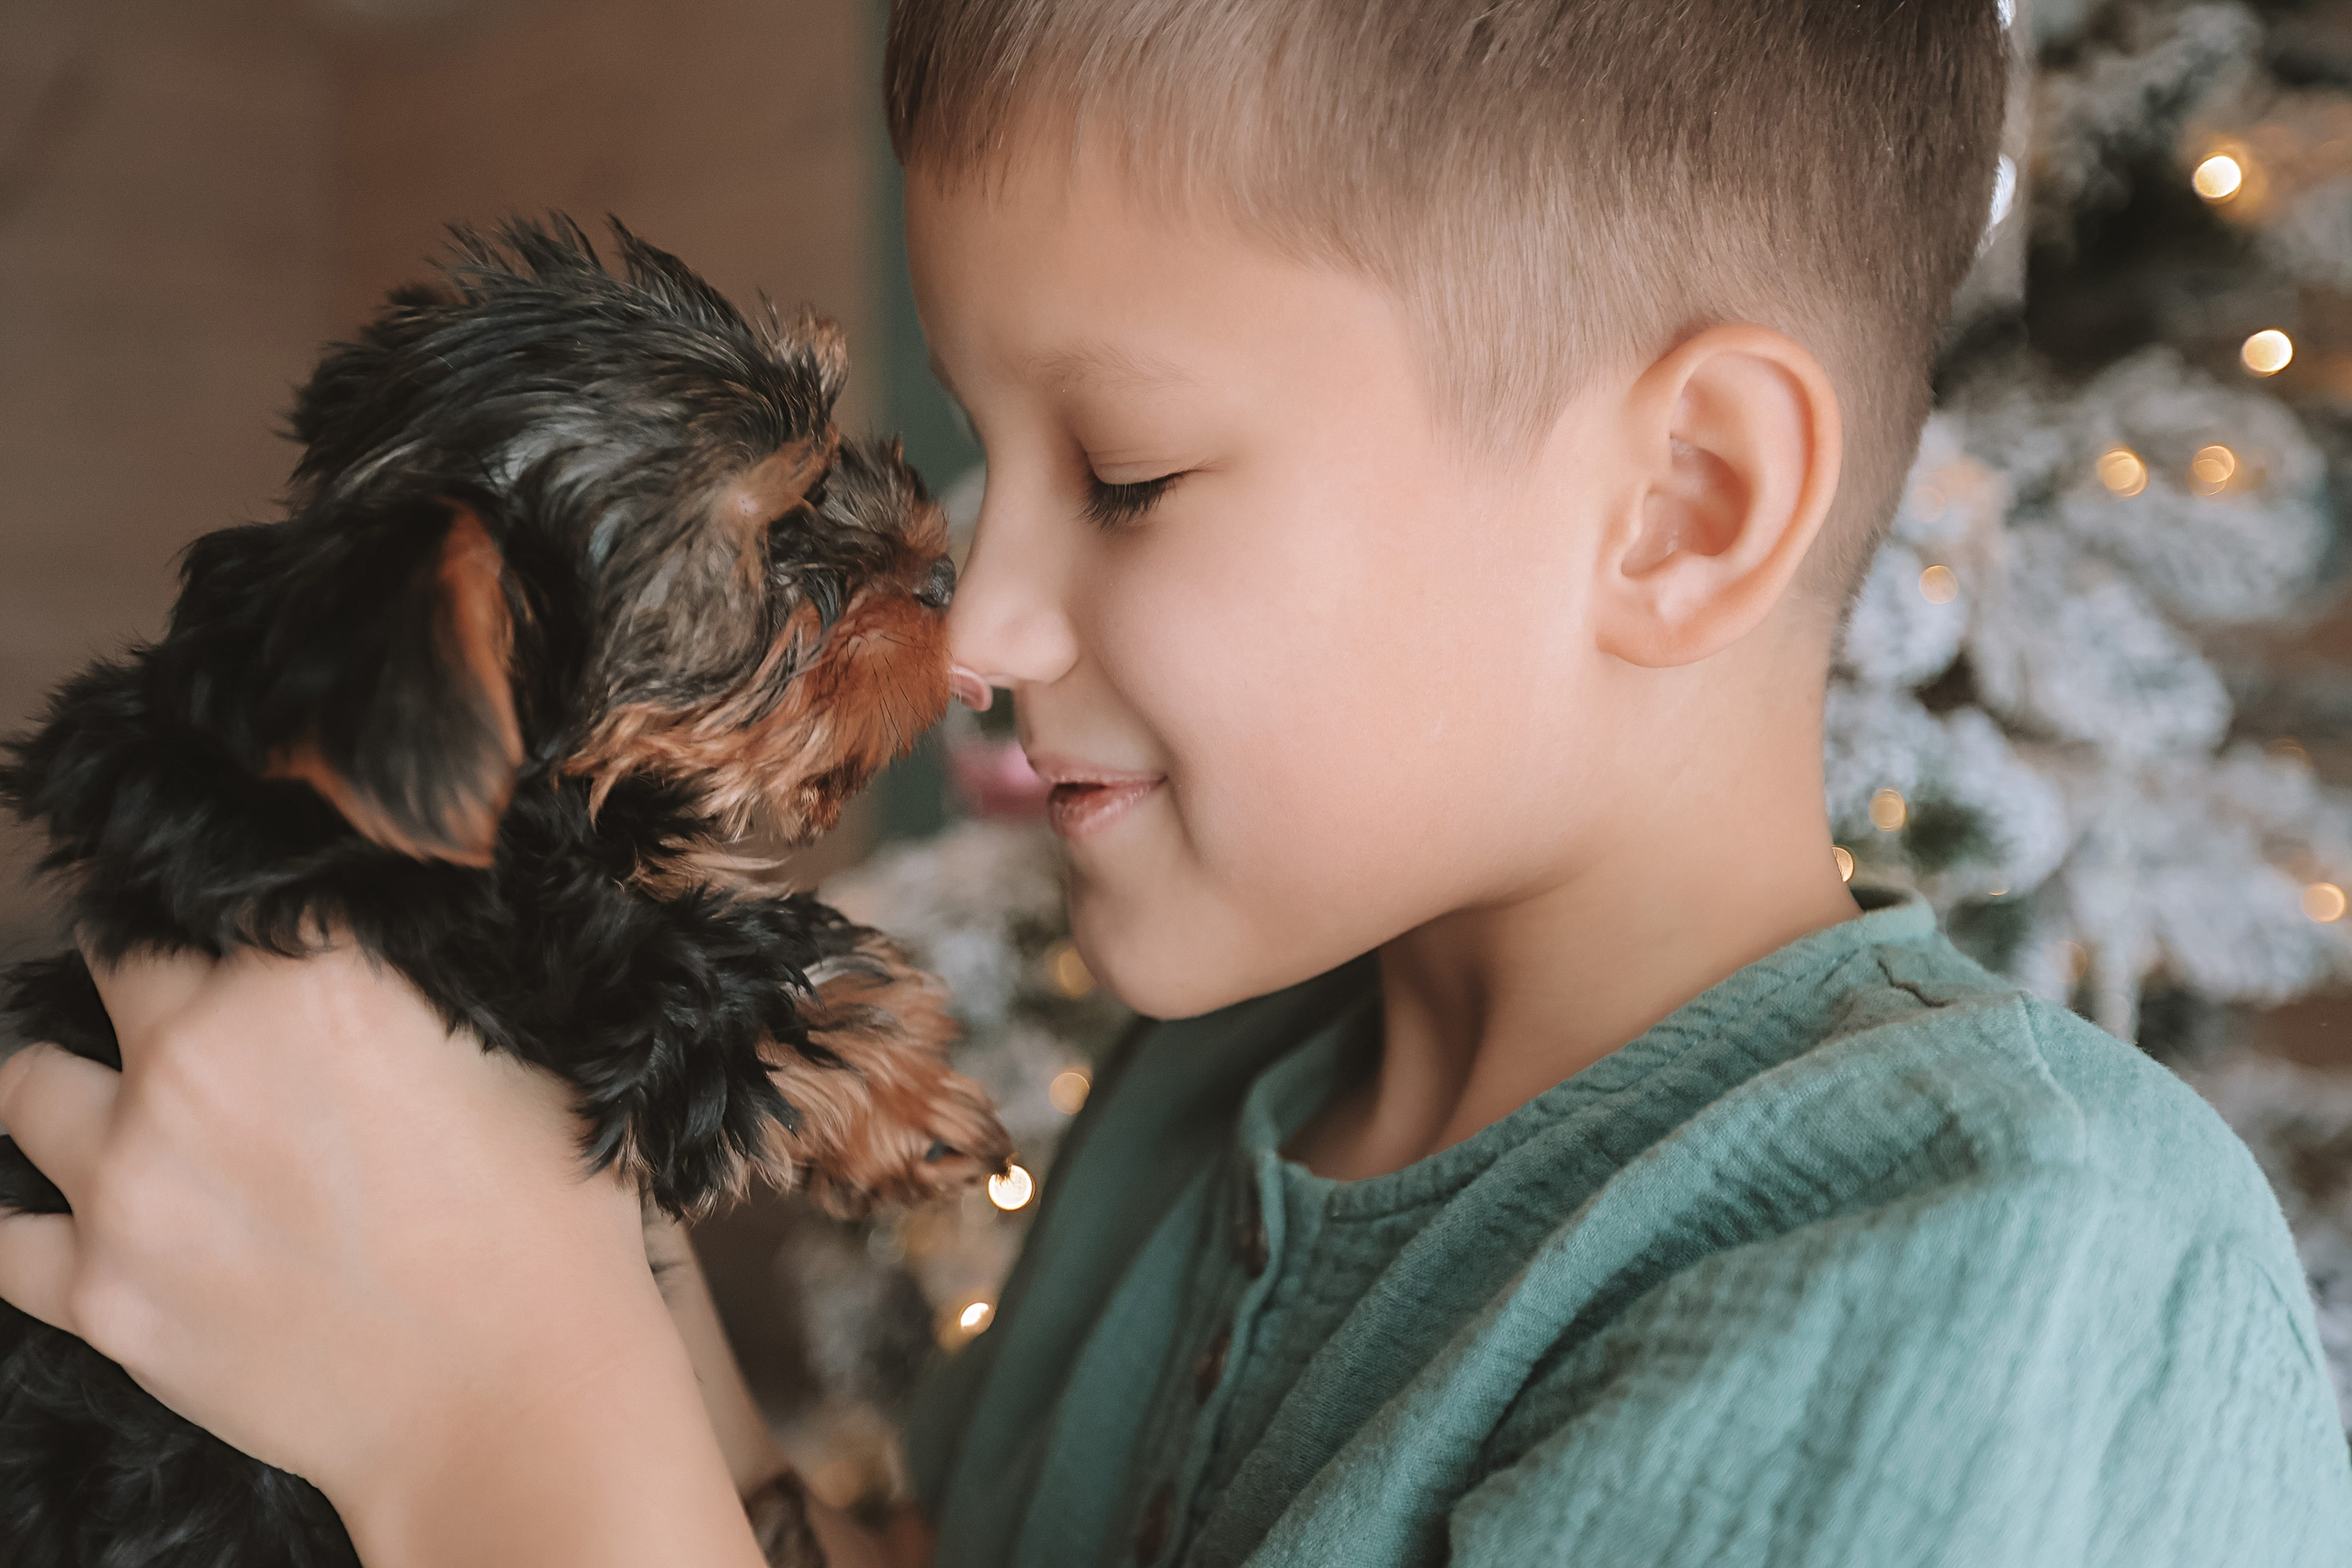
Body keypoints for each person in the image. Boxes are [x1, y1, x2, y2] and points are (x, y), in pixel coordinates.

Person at [4, 0, 2349, 1563]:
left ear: (1681, 507)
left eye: (1121, 474)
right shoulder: (1195, 1110)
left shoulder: (1983, 1267)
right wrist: (582, 1304)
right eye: (972, 441)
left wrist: (494, 1423)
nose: (984, 616)